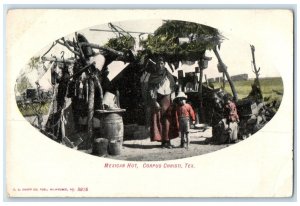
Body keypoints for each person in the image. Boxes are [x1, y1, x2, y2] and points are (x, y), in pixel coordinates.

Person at [147, 57, 178, 148]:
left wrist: (173, 98)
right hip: (158, 99)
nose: (160, 65)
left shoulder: (168, 74)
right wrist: (154, 101)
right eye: (158, 64)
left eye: (162, 63)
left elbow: (172, 88)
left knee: (168, 120)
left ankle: (168, 141)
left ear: (164, 64)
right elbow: (151, 90)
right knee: (159, 120)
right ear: (156, 65)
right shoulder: (153, 76)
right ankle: (163, 141)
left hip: (168, 99)